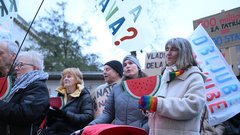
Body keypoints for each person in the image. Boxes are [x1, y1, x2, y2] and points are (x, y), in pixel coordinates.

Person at [138, 37, 207, 135]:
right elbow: (161, 108)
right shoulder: (166, 76)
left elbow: (192, 106)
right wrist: (149, 109)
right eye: (167, 49)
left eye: (173, 49)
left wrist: (156, 104)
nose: (168, 53)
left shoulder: (194, 77)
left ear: (184, 53)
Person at [88, 55, 149, 133]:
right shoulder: (116, 89)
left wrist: (144, 129)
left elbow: (153, 115)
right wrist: (93, 124)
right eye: (125, 65)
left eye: (130, 63)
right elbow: (108, 114)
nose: (127, 66)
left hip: (140, 132)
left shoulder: (148, 88)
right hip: (118, 131)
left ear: (138, 67)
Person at [0, 50, 50, 135]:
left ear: (35, 68)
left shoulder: (38, 87)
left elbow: (24, 114)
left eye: (21, 65)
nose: (16, 68)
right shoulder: (17, 85)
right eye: (16, 64)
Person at [45, 68, 94, 135]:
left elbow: (87, 118)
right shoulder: (59, 96)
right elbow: (50, 123)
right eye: (64, 77)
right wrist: (49, 115)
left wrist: (65, 114)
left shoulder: (84, 96)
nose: (65, 79)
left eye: (69, 76)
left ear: (77, 80)